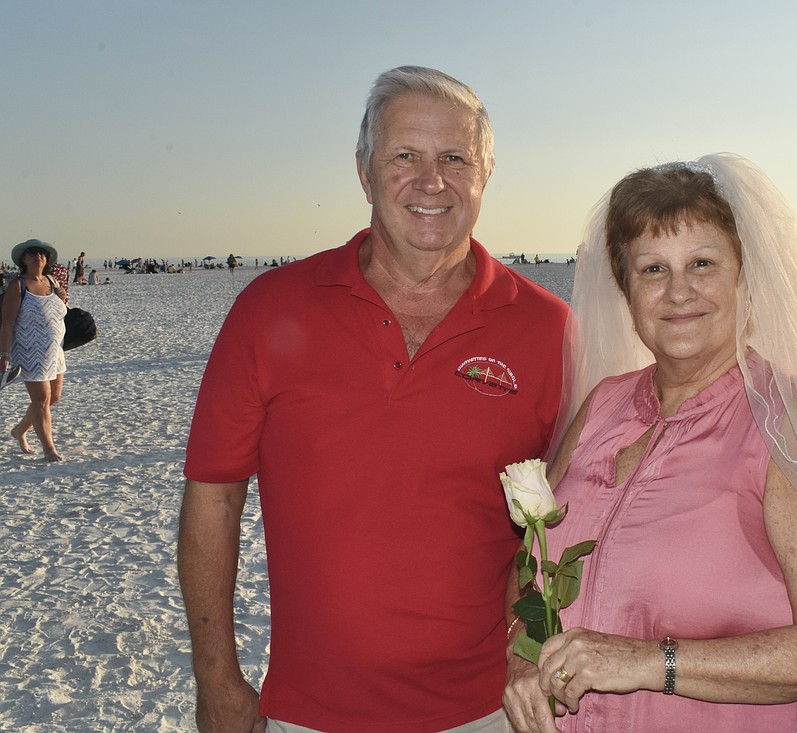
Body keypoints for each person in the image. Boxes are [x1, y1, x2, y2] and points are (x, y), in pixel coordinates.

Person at [177, 66, 571, 733]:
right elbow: (212, 494)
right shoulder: (269, 311)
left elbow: (576, 514)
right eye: (405, 157)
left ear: (486, 175)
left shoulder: (549, 328)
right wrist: (217, 676)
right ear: (364, 171)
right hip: (309, 710)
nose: (431, 180)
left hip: (490, 708)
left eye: (454, 158)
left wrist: (537, 653)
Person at [503, 155, 797, 733]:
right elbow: (534, 565)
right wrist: (522, 654)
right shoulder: (604, 405)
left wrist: (647, 663)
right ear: (626, 288)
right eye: (653, 270)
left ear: (744, 276)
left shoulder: (792, 420)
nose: (679, 291)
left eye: (703, 263)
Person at [0, 239, 68, 462]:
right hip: (30, 351)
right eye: (32, 253)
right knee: (41, 399)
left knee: (53, 397)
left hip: (54, 351)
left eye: (41, 253)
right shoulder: (18, 286)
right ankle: (49, 448)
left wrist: (63, 298)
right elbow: (7, 322)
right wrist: (5, 355)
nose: (37, 256)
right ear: (24, 260)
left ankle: (19, 430)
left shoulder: (52, 281)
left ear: (47, 259)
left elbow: (60, 310)